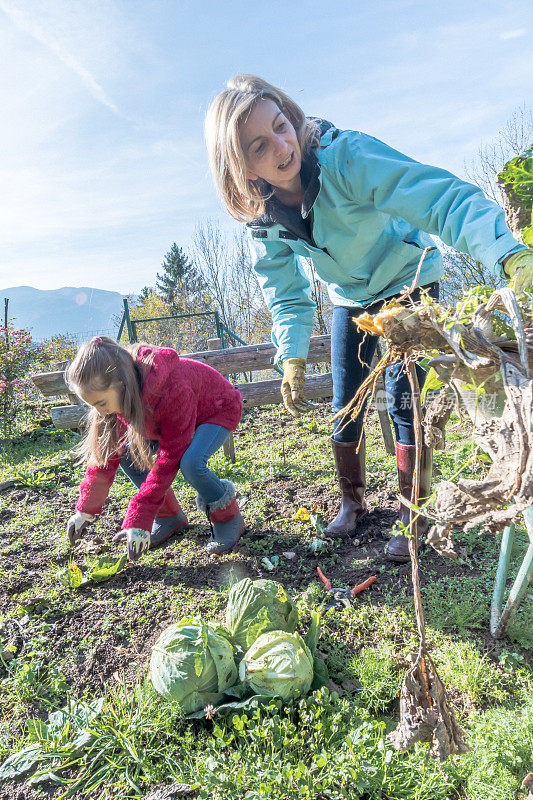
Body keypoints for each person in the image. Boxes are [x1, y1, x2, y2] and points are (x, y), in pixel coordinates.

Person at [204, 73, 532, 563]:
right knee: (345, 401)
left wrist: (508, 252)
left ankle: (411, 516)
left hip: (408, 278)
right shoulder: (264, 220)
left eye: (280, 125)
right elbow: (287, 294)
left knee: (406, 400)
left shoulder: (347, 158)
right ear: (244, 169)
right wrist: (291, 354)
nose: (281, 145)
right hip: (350, 297)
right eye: (258, 145)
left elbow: (440, 199)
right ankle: (352, 501)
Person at [66, 336, 244, 560]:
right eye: (94, 406)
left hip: (215, 410)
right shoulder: (118, 396)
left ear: (121, 386)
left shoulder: (171, 387)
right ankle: (169, 516)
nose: (100, 413)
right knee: (125, 453)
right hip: (168, 421)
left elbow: (170, 457)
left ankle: (227, 517)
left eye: (101, 403)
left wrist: (140, 516)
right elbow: (106, 456)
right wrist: (85, 509)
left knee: (191, 463)